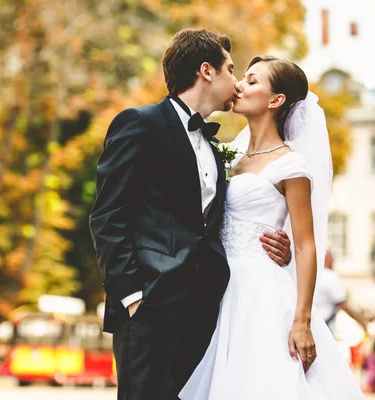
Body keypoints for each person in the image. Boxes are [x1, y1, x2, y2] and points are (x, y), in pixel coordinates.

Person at [89, 29, 292, 400]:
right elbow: (108, 216)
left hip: (204, 311)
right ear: (206, 71)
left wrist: (281, 245)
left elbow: (226, 221)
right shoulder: (140, 124)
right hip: (148, 307)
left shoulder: (216, 149)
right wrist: (133, 297)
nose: (236, 80)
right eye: (230, 69)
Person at [179, 57, 364, 399]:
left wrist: (302, 320)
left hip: (259, 292)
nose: (238, 86)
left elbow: (307, 246)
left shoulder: (291, 165)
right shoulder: (226, 154)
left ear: (275, 100)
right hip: (216, 285)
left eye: (251, 81)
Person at [314, 249, 367, 333]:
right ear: (327, 258)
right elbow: (342, 304)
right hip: (325, 326)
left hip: (312, 324)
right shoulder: (330, 276)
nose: (333, 261)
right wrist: (361, 322)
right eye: (332, 257)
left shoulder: (314, 275)